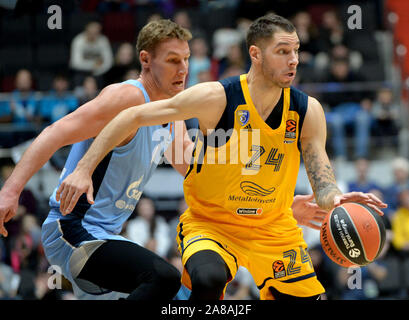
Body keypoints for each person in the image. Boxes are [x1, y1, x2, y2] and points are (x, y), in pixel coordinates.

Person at [57, 14, 387, 300]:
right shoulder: (216, 97)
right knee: (208, 280)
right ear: (255, 54)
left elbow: (321, 171)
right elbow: (131, 117)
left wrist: (335, 199)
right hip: (211, 224)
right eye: (283, 51)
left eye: (297, 51)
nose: (294, 60)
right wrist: (84, 167)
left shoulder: (307, 110)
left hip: (274, 229)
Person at [0, 19, 194, 300]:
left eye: (186, 59)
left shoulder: (172, 115)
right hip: (72, 230)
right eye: (173, 60)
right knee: (162, 277)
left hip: (108, 238)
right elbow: (55, 132)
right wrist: (10, 190)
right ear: (146, 60)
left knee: (185, 297)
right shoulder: (127, 96)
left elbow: (191, 166)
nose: (184, 69)